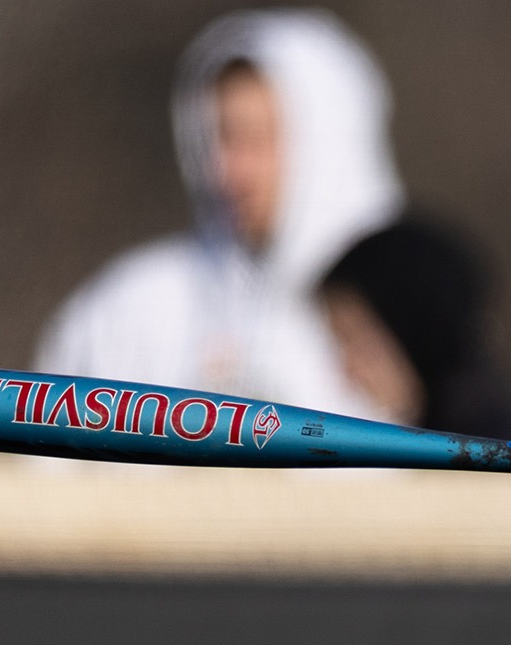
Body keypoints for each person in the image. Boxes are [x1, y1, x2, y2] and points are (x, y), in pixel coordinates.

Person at [35, 9, 401, 418]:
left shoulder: (410, 319)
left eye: (257, 139)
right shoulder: (130, 309)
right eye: (220, 137)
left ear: (331, 145)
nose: (229, 171)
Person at [319, 217, 511, 439]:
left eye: (355, 340)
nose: (348, 373)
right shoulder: (460, 438)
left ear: (414, 331)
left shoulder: (489, 455)